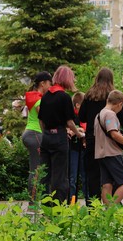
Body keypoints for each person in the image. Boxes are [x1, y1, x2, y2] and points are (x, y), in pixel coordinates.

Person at [79, 68, 123, 202]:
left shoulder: (89, 95)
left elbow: (82, 117)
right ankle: (112, 205)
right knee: (113, 177)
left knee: (93, 176)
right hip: (109, 143)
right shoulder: (113, 97)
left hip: (92, 140)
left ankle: (93, 207)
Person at [38, 65, 84, 203]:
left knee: (45, 174)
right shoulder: (64, 97)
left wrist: (46, 133)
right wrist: (78, 133)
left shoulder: (46, 96)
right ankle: (58, 207)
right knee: (60, 175)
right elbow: (69, 122)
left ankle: (46, 204)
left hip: (46, 137)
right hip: (59, 138)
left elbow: (41, 120)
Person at [94, 89, 123, 205]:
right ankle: (112, 206)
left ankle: (107, 215)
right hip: (113, 153)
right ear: (120, 104)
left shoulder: (99, 115)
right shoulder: (110, 114)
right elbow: (114, 133)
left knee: (107, 184)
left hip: (100, 154)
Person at [22, 71, 52, 202]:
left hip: (31, 133)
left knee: (37, 168)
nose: (50, 87)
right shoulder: (38, 99)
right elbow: (44, 117)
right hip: (35, 134)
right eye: (49, 83)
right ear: (43, 83)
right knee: (36, 170)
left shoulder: (35, 97)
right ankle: (33, 202)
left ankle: (36, 199)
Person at [68, 91, 86, 202]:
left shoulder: (84, 117)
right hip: (73, 149)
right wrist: (75, 131)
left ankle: (89, 202)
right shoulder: (71, 116)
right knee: (72, 177)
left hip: (83, 149)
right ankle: (71, 201)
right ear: (77, 105)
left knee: (85, 176)